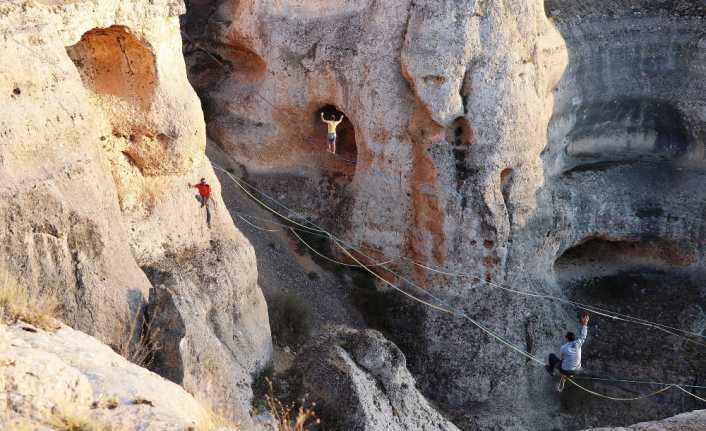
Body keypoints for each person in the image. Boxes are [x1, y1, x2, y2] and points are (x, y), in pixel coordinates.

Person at [546, 313, 590, 392]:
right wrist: (585, 323)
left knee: (552, 356)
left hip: (567, 370)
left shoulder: (563, 348)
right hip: (577, 370)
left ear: (566, 338)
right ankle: (564, 378)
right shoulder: (579, 343)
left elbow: (562, 359)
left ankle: (551, 371)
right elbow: (583, 335)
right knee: (569, 364)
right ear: (574, 338)